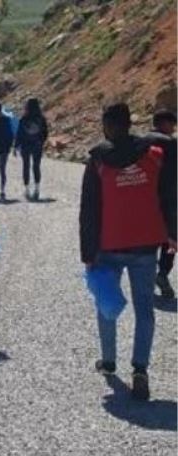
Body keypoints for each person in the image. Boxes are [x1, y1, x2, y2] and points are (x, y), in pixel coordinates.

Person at [80, 103, 177, 401]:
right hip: (146, 245)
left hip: (109, 244)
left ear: (107, 126)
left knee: (106, 302)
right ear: (130, 122)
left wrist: (88, 251)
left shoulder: (97, 161)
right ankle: (140, 369)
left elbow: (89, 211)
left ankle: (109, 360)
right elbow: (168, 197)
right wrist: (172, 234)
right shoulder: (154, 155)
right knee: (144, 309)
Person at [150, 109, 177, 299]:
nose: (173, 128)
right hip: (168, 199)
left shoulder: (140, 141)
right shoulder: (171, 143)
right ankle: (162, 274)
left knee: (149, 239)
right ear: (165, 123)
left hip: (145, 199)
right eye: (172, 124)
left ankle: (147, 275)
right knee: (171, 240)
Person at [15, 98, 49, 201]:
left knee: (26, 166)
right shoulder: (41, 118)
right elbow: (45, 132)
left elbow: (19, 134)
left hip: (25, 145)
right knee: (36, 166)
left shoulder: (24, 118)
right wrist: (41, 141)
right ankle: (37, 189)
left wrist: (16, 145)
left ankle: (27, 190)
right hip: (37, 145)